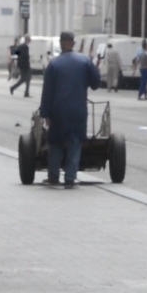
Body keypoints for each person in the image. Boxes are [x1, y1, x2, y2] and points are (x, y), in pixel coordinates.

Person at [39, 31, 101, 188]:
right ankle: (70, 177)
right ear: (73, 43)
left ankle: (53, 176)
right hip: (78, 109)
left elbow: (47, 92)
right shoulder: (84, 61)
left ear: (61, 43)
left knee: (56, 142)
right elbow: (96, 83)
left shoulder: (54, 64)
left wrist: (45, 113)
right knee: (75, 142)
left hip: (58, 111)